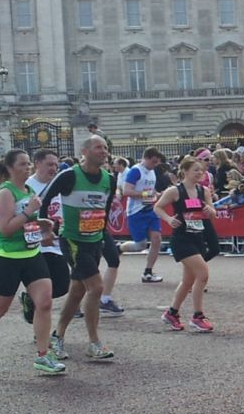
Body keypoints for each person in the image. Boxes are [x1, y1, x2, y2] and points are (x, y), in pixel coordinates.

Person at [0, 150, 64, 377]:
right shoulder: (6, 192)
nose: (27, 167)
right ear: (10, 168)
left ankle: (43, 355)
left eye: (29, 163)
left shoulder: (28, 190)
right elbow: (5, 228)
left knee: (45, 302)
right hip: (8, 258)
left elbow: (27, 223)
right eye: (22, 164)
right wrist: (30, 212)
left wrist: (43, 225)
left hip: (31, 255)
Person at [36, 134, 117, 364]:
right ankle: (94, 343)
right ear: (85, 151)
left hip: (95, 241)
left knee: (77, 292)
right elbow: (43, 198)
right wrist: (45, 228)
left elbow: (107, 207)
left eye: (105, 147)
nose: (103, 151)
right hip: (73, 241)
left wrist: (102, 233)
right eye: (98, 147)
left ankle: (57, 336)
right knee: (96, 287)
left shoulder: (109, 179)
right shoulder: (69, 176)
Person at [156, 156, 217, 333]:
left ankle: (172, 313)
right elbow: (157, 207)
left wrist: (209, 210)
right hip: (181, 239)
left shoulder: (203, 190)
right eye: (196, 170)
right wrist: (168, 219)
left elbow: (212, 212)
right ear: (185, 172)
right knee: (203, 274)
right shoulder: (175, 191)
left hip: (197, 237)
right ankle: (198, 316)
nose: (200, 173)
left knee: (188, 280)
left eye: (201, 170)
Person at [19, 150, 71, 329]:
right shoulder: (27, 186)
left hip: (57, 242)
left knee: (63, 285)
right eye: (50, 165)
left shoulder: (59, 184)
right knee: (45, 295)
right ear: (37, 164)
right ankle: (42, 335)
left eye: (56, 165)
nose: (54, 168)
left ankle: (30, 299)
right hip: (36, 245)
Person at [119, 147, 166, 284]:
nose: (155, 165)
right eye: (153, 162)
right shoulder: (135, 171)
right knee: (140, 245)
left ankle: (148, 272)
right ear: (146, 158)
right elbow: (127, 191)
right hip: (136, 211)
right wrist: (147, 195)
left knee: (157, 239)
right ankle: (119, 248)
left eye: (157, 162)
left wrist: (157, 194)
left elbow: (150, 190)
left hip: (150, 209)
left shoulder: (152, 172)